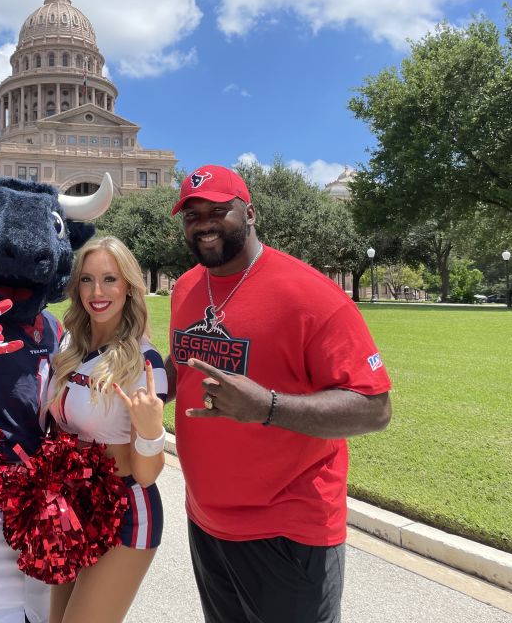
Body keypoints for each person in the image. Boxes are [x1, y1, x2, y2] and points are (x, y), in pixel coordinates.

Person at [168, 165, 393, 623]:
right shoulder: (188, 286)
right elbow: (183, 365)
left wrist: (267, 407)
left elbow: (375, 408)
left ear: (249, 213)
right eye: (192, 215)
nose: (204, 223)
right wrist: (141, 386)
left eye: (218, 210)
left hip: (288, 527)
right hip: (206, 518)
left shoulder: (311, 295)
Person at [45, 236, 169, 623]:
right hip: (70, 506)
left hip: (126, 512)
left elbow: (146, 473)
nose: (97, 292)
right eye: (87, 280)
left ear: (129, 287)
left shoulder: (143, 361)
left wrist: (151, 431)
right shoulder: (68, 345)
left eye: (110, 279)